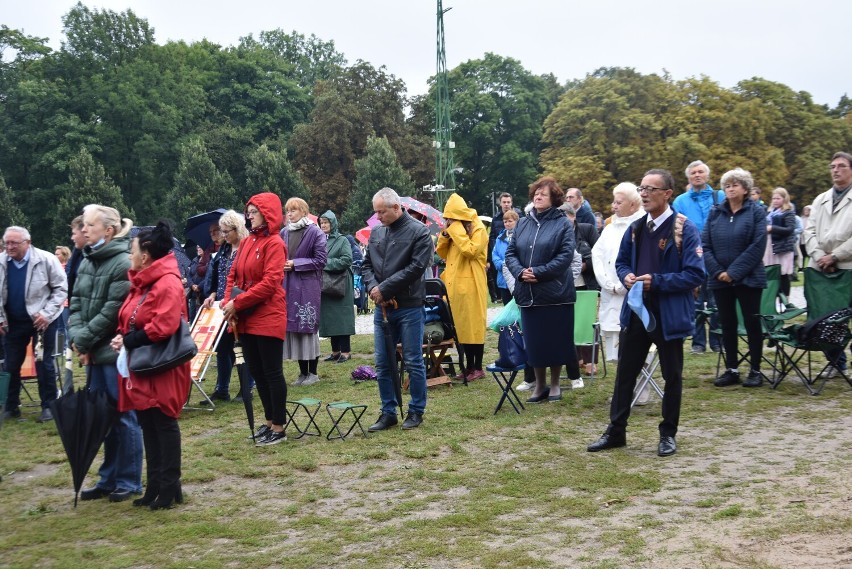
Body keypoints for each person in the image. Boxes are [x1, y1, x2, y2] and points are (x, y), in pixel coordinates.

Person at [587, 169, 705, 457]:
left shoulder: (684, 229)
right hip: (637, 311)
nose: (644, 194)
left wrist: (657, 281)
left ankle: (668, 434)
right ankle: (616, 431)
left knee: (672, 374)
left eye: (651, 189)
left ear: (667, 194)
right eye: (642, 188)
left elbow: (695, 273)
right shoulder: (637, 227)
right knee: (625, 372)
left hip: (669, 312)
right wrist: (627, 276)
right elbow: (622, 262)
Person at [111, 222, 192, 510]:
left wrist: (130, 340)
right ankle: (156, 484)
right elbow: (131, 317)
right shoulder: (143, 281)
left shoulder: (166, 282)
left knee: (163, 421)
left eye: (132, 249)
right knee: (148, 422)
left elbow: (164, 326)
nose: (129, 254)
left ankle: (169, 487)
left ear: (145, 255)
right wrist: (125, 337)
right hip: (146, 362)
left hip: (163, 364)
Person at [69, 204, 143, 502]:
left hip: (113, 355)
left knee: (124, 417)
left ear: (108, 230)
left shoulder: (122, 263)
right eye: (83, 225)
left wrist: (83, 340)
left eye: (89, 225)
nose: (83, 229)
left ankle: (129, 480)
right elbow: (76, 303)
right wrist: (79, 339)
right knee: (102, 418)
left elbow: (112, 313)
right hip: (93, 353)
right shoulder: (87, 259)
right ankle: (108, 478)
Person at [505, 176, 583, 402]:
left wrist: (538, 272)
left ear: (554, 199)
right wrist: (521, 272)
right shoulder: (523, 223)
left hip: (555, 294)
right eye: (536, 193)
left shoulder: (562, 224)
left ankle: (556, 384)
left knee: (556, 341)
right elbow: (511, 253)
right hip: (528, 294)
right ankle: (539, 386)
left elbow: (565, 256)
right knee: (535, 342)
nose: (538, 196)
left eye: (544, 194)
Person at [362, 187, 432, 431]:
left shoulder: (420, 232)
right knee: (383, 362)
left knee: (413, 361)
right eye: (376, 212)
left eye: (381, 212)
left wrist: (385, 289)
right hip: (383, 307)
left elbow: (415, 268)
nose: (377, 217)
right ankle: (388, 411)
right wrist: (374, 288)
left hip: (409, 306)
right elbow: (366, 264)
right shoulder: (376, 232)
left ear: (396, 207)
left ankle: (416, 410)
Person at [223, 193, 288, 446]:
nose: (248, 216)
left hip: (268, 314)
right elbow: (233, 275)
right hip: (246, 317)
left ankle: (279, 426)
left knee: (272, 372)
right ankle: (270, 421)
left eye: (254, 212)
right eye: (247, 212)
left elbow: (270, 283)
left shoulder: (275, 243)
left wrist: (237, 302)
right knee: (257, 373)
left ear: (267, 213)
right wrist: (228, 301)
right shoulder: (248, 241)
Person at [702, 168, 768, 388]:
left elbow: (757, 246)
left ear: (746, 188)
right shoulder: (715, 213)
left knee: (751, 323)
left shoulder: (756, 212)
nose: (730, 189)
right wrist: (719, 272)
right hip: (719, 279)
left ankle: (756, 370)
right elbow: (705, 245)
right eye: (727, 185)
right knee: (727, 323)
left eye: (735, 185)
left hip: (748, 278)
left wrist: (734, 272)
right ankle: (732, 369)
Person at [0, 226, 67, 422]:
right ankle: (11, 406)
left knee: (45, 363)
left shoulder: (46, 259)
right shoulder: (2, 261)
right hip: (14, 321)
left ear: (27, 243)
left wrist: (47, 314)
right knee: (11, 364)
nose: (9, 247)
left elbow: (61, 289)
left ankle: (49, 406)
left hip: (44, 320)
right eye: (7, 243)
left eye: (14, 243)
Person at [803, 151, 852, 378]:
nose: (835, 170)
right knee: (826, 317)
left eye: (841, 166)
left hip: (848, 267)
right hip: (821, 267)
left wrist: (836, 256)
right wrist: (821, 256)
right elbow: (809, 231)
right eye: (832, 166)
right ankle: (836, 363)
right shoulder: (820, 199)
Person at [672, 160, 724, 355]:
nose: (697, 175)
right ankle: (698, 342)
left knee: (716, 303)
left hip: (717, 258)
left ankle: (717, 341)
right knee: (695, 303)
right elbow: (678, 231)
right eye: (693, 172)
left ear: (707, 175)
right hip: (692, 258)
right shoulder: (680, 201)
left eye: (700, 172)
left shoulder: (720, 196)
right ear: (688, 177)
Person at [201, 209, 252, 402]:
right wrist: (212, 293)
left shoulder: (247, 247)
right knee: (222, 348)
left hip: (239, 303)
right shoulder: (223, 250)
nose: (223, 235)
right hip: (222, 304)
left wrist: (238, 300)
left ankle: (247, 387)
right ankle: (222, 388)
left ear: (237, 228)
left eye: (226, 231)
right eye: (221, 231)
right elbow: (218, 276)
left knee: (243, 348)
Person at [436, 193, 489, 381]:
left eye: (450, 218)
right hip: (454, 284)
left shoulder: (478, 228)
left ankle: (477, 367)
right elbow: (441, 253)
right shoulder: (453, 231)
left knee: (473, 325)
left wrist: (456, 229)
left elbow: (471, 251)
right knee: (460, 327)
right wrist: (444, 234)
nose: (448, 222)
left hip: (472, 283)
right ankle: (467, 367)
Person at [592, 182, 644, 361]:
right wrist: (606, 283)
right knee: (618, 355)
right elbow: (596, 256)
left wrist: (625, 283)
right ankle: (625, 387)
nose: (614, 206)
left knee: (638, 352)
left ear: (633, 204)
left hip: (633, 293)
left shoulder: (643, 225)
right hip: (610, 293)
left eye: (619, 202)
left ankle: (641, 388)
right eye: (614, 202)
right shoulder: (609, 228)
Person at [280, 198, 327, 386]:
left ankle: (313, 372)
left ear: (304, 211)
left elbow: (321, 260)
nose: (289, 214)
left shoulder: (315, 232)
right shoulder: (284, 233)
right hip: (289, 286)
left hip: (308, 287)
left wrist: (296, 263)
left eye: (293, 210)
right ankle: (302, 372)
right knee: (294, 329)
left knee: (307, 327)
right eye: (287, 211)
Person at [318, 210, 355, 363]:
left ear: (333, 223)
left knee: (342, 317)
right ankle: (335, 352)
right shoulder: (320, 240)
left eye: (326, 222)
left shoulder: (343, 240)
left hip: (341, 283)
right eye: (321, 223)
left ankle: (346, 351)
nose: (323, 225)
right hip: (326, 284)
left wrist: (325, 264)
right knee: (330, 317)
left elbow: (347, 260)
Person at [763, 188, 798, 300]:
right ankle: (772, 298)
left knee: (783, 275)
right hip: (770, 247)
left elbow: (789, 229)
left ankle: (785, 300)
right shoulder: (769, 213)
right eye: (773, 198)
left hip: (783, 248)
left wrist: (772, 228)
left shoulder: (788, 212)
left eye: (778, 198)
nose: (775, 201)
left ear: (784, 199)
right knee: (772, 274)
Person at [487, 193, 522, 302]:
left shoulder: (520, 217)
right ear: (500, 203)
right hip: (502, 268)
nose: (506, 204)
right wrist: (499, 264)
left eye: (508, 202)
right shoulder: (496, 219)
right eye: (504, 202)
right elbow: (492, 240)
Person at [490, 209, 519, 305]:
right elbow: (495, 254)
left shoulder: (521, 236)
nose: (507, 224)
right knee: (507, 307)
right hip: (503, 279)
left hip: (517, 278)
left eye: (510, 221)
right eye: (505, 222)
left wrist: (514, 266)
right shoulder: (500, 238)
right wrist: (502, 265)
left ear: (516, 221)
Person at [54, 245, 71, 340]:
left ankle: (69, 349)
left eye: (57, 254)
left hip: (66, 303)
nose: (55, 256)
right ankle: (60, 350)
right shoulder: (54, 267)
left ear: (64, 255)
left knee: (67, 326)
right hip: (57, 302)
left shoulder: (69, 268)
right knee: (59, 327)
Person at [798, 205, 812, 270]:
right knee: (802, 254)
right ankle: (801, 267)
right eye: (805, 210)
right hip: (802, 239)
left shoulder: (811, 219)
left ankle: (810, 267)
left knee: (809, 254)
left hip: (809, 239)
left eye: (807, 210)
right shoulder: (801, 218)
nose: (806, 211)